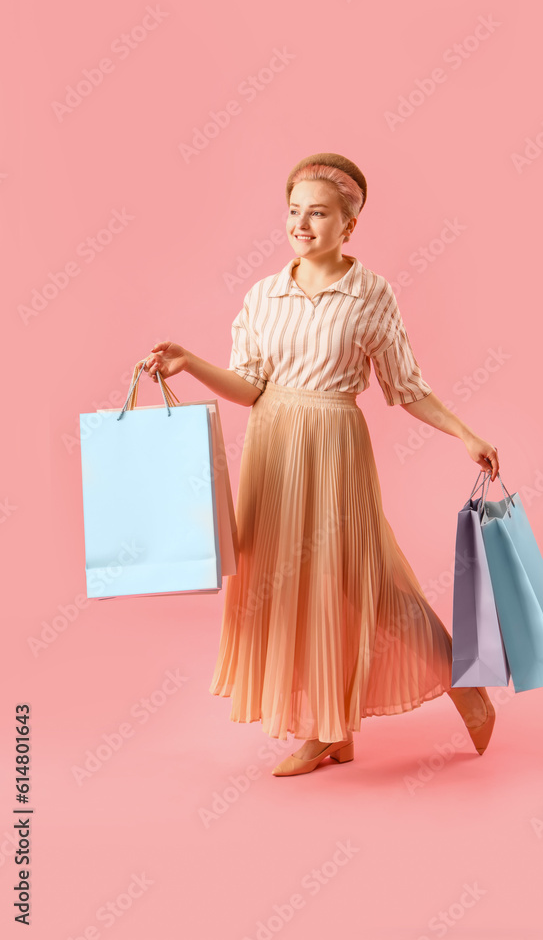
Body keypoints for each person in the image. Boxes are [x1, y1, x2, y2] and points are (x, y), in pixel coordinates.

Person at [139, 152, 500, 777]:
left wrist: (464, 433)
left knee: (364, 581)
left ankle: (458, 683)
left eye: (319, 213)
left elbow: (406, 386)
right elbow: (252, 385)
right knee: (284, 587)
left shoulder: (372, 295)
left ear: (349, 225)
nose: (301, 224)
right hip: (272, 448)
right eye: (294, 211)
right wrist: (190, 362)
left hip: (335, 447)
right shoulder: (264, 294)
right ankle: (328, 730)